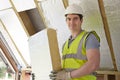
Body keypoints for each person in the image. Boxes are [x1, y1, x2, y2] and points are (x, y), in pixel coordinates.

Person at [50, 4, 100, 80]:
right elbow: (68, 68)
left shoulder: (89, 38)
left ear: (81, 20)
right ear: (66, 21)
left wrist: (67, 76)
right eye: (69, 19)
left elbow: (93, 64)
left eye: (75, 19)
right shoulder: (65, 44)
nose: (72, 22)